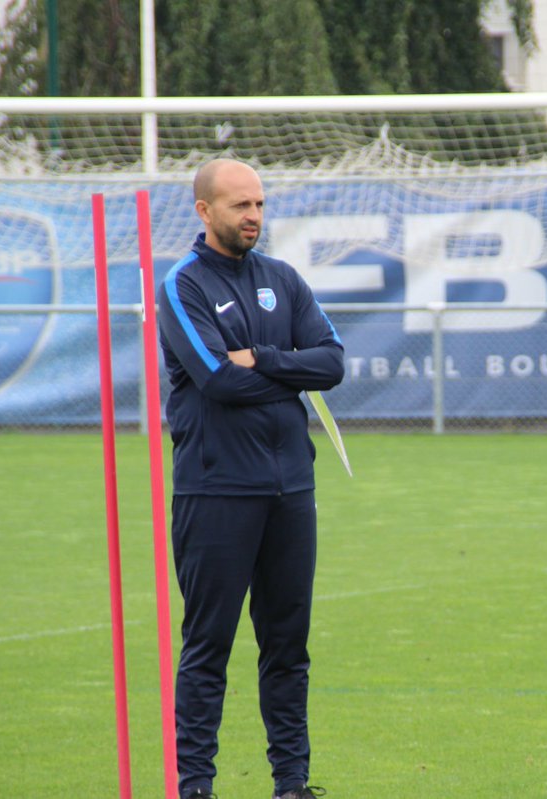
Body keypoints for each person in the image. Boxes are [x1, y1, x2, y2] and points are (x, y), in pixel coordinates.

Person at [157, 157, 344, 799]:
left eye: (259, 204)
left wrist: (263, 357)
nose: (254, 217)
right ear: (205, 211)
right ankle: (196, 786)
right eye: (240, 205)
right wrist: (287, 372)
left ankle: (291, 783)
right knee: (208, 645)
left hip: (291, 489)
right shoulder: (182, 284)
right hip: (215, 491)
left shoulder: (283, 280)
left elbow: (333, 363)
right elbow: (216, 379)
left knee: (288, 646)